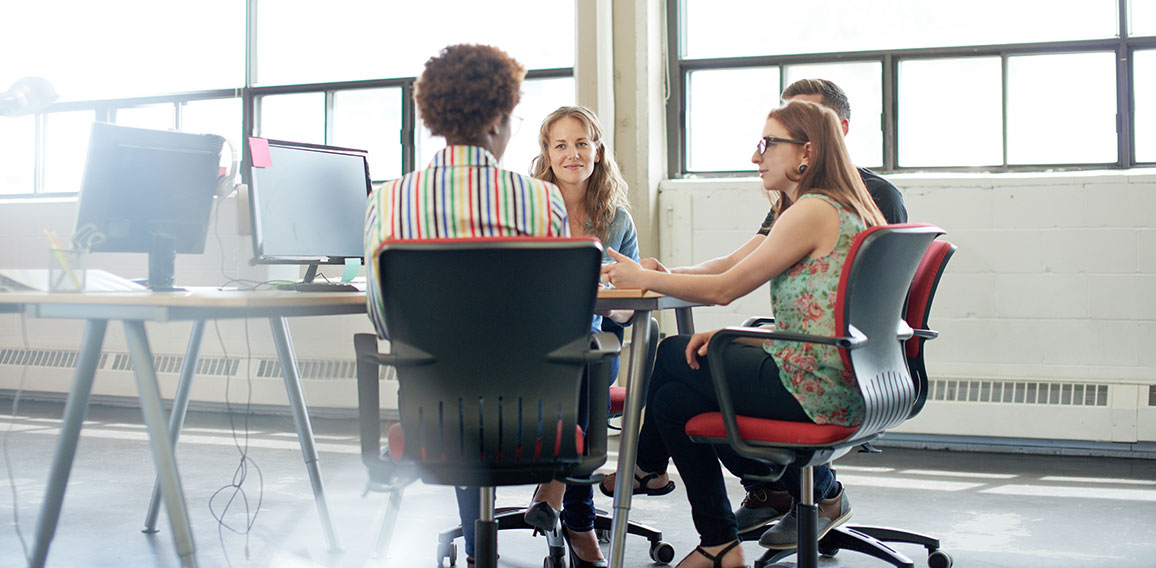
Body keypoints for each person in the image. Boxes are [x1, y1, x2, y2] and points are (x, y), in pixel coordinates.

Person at [601, 78, 908, 537]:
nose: (754, 155)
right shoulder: (833, 202)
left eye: (768, 142)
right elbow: (748, 272)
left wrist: (644, 279)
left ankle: (656, 475)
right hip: (848, 373)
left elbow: (727, 288)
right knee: (672, 399)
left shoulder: (812, 210)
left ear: (808, 149)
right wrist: (677, 281)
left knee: (668, 355)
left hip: (819, 383)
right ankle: (720, 537)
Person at [362, 43, 569, 568]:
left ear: (434, 119)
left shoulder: (388, 201)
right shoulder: (541, 201)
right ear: (499, 118)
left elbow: (386, 321)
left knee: (453, 389)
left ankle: (481, 554)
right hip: (536, 423)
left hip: (433, 419)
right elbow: (559, 323)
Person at [520, 105, 639, 568]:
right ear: (547, 155)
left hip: (589, 342)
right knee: (585, 372)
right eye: (561, 145)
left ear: (598, 150)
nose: (573, 154)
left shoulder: (618, 222)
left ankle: (555, 495)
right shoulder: (527, 210)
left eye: (582, 143)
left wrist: (620, 289)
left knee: (592, 362)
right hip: (528, 343)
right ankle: (580, 521)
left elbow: (626, 313)